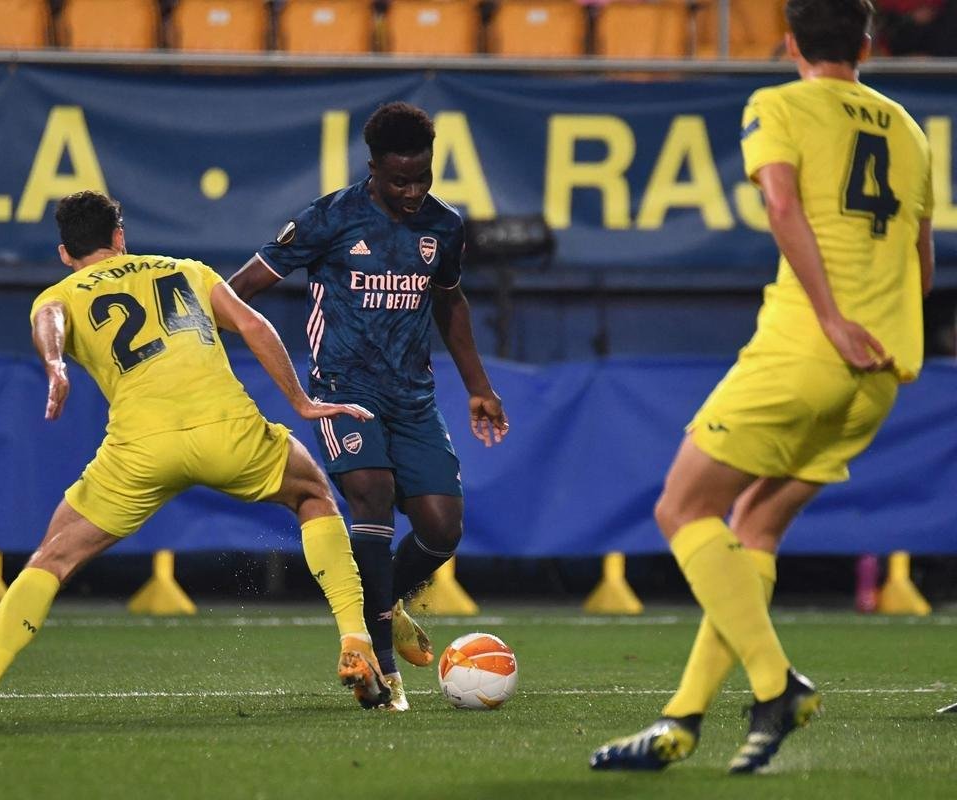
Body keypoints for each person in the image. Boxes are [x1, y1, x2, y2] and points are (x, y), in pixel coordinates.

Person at [0, 190, 390, 722]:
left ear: (65, 253)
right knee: (312, 495)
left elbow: (50, 320)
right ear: (119, 237)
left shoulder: (61, 293)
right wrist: (301, 402)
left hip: (141, 448)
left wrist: (55, 365)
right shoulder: (187, 270)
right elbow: (253, 325)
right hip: (227, 431)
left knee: (52, 558)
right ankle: (355, 640)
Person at [590, 0, 933, 774]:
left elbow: (781, 202)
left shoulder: (777, 103)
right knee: (753, 529)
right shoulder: (909, 130)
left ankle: (776, 686)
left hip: (806, 351)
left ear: (789, 42)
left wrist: (832, 319)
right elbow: (921, 262)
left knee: (683, 509)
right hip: (881, 372)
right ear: (868, 44)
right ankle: (681, 720)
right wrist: (876, 331)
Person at [228, 102, 509, 711]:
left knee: (442, 529)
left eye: (422, 177)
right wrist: (199, 344)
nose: (412, 192)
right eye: (399, 180)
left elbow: (450, 302)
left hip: (413, 398)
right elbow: (240, 289)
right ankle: (382, 668)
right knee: (372, 495)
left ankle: (383, 605)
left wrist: (479, 386)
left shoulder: (444, 226)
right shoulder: (330, 217)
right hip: (343, 390)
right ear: (374, 168)